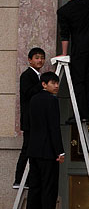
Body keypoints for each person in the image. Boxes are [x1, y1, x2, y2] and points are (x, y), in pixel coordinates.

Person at [25, 72, 65, 209]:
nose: (56, 86)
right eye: (52, 83)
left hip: (34, 151)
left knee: (34, 188)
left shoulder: (33, 99)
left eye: (57, 83)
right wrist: (60, 152)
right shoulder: (52, 101)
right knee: (49, 189)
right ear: (44, 84)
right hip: (48, 152)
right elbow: (54, 128)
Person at [13, 47, 45, 189]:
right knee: (27, 149)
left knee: (33, 149)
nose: (40, 60)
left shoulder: (37, 75)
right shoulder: (27, 75)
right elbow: (28, 93)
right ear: (30, 60)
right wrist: (42, 85)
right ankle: (19, 179)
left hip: (35, 120)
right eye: (37, 58)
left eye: (42, 58)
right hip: (30, 120)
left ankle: (29, 178)